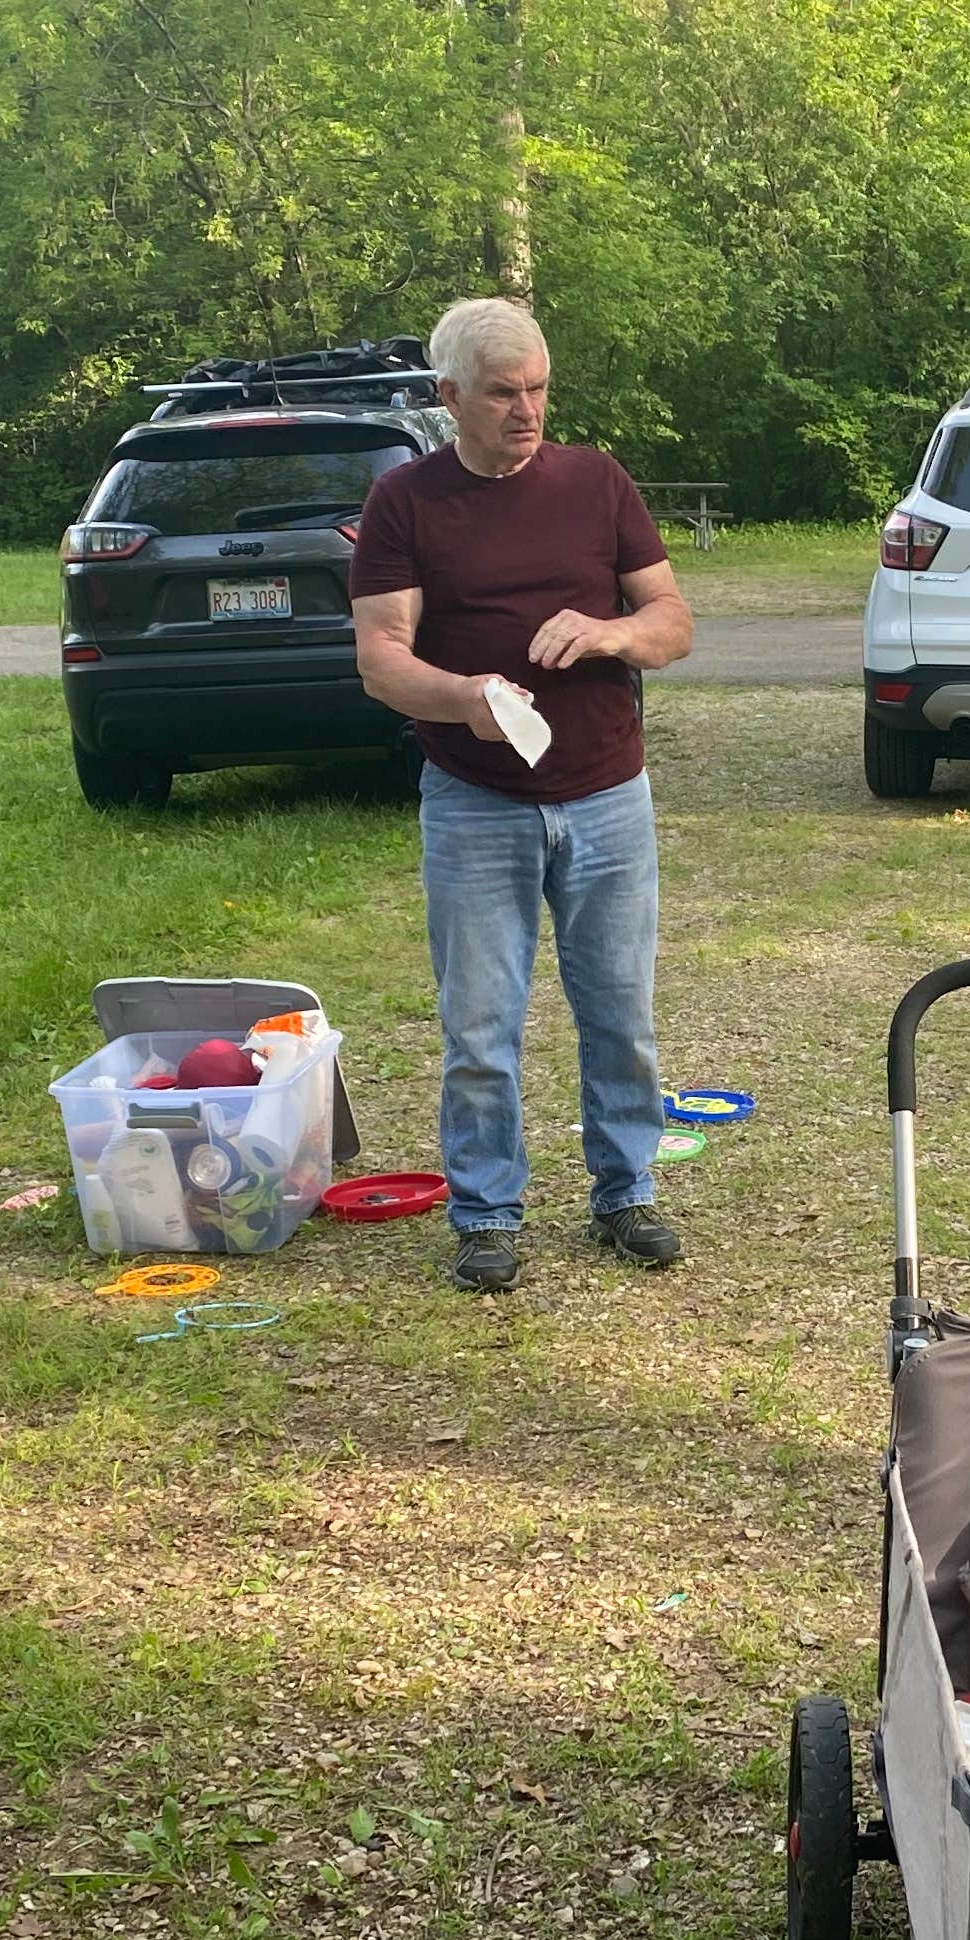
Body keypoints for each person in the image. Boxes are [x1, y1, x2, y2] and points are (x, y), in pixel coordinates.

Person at [350, 297, 696, 1293]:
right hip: (475, 801)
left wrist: (609, 632)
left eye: (538, 387)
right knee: (479, 1024)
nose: (526, 409)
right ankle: (487, 1212)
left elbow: (672, 620)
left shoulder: (597, 483)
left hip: (606, 795)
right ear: (448, 396)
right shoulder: (407, 505)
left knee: (620, 1010)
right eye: (503, 393)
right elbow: (381, 658)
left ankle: (626, 1191)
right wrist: (466, 700)